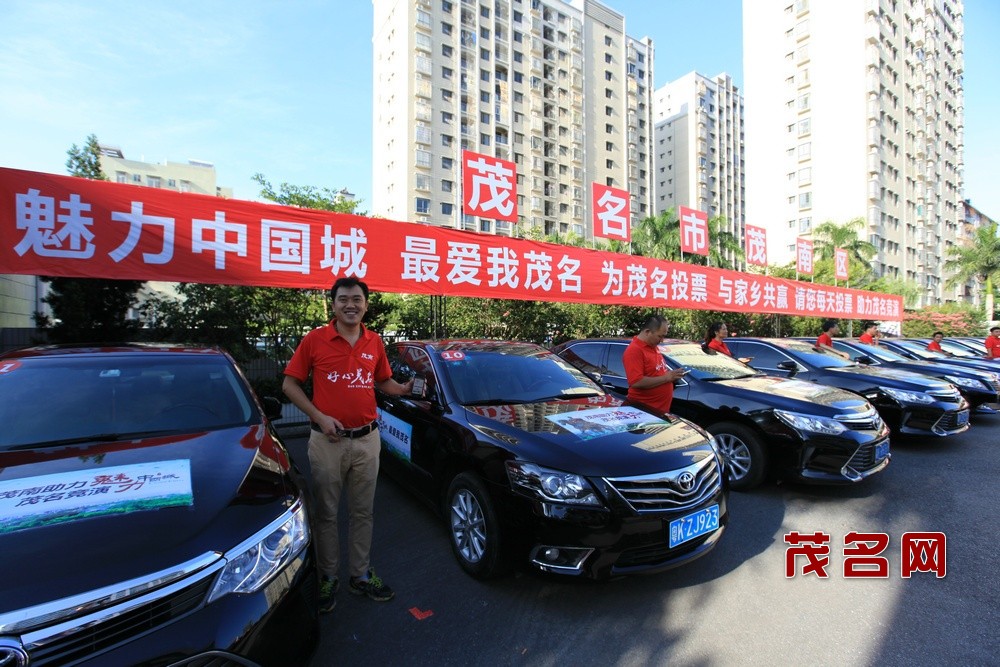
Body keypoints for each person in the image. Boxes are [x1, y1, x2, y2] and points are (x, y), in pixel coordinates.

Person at [283, 277, 413, 612]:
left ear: (366, 305)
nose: (351, 305)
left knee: (363, 512)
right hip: (327, 441)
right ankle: (328, 577)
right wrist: (320, 416)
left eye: (357, 299)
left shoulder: (374, 341)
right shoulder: (315, 340)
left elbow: (381, 379)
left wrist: (402, 389)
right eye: (344, 299)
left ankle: (360, 575)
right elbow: (289, 384)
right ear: (334, 304)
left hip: (368, 439)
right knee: (326, 513)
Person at [623, 314, 687, 414]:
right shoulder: (634, 350)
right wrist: (666, 378)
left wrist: (673, 375)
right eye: (660, 336)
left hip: (657, 411)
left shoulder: (653, 346)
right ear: (647, 332)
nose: (662, 340)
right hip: (643, 411)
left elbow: (656, 372)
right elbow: (636, 382)